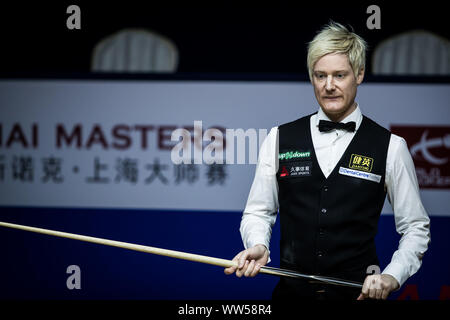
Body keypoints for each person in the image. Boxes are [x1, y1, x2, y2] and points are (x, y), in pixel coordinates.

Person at [224, 21, 431, 300]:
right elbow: (258, 212)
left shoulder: (391, 147)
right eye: (320, 76)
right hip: (290, 296)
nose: (329, 86)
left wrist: (392, 275)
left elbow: (415, 227)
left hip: (357, 295)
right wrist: (258, 244)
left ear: (359, 74)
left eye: (339, 75)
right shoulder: (279, 138)